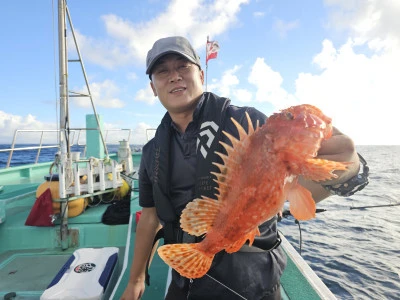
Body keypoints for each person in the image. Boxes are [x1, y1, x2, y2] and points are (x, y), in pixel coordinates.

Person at [121, 36, 361, 300]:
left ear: (201, 74)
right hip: (185, 279)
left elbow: (303, 189)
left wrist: (347, 167)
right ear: (153, 87)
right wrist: (136, 279)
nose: (174, 76)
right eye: (162, 71)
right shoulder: (152, 150)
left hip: (253, 282)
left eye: (183, 67)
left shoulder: (252, 126)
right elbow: (150, 218)